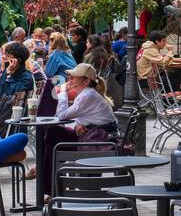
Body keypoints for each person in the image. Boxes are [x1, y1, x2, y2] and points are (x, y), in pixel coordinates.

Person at [36, 63, 119, 201]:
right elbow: (85, 118)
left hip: (99, 143)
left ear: (86, 81)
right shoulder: (88, 94)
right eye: (69, 77)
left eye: (74, 77)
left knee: (53, 136)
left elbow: (61, 115)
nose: (70, 80)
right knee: (53, 134)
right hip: (95, 137)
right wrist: (78, 124)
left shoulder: (88, 95)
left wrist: (62, 92)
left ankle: (49, 185)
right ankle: (49, 184)